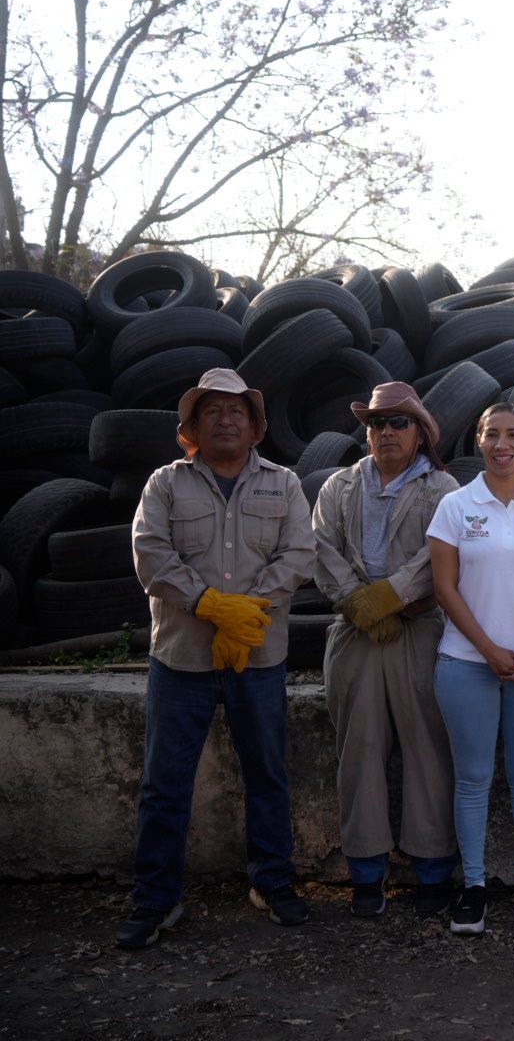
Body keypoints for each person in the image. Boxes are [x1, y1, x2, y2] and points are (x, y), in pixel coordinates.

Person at [119, 368, 316, 949]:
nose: (225, 420)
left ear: (256, 428)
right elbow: (150, 555)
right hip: (182, 660)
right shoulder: (165, 484)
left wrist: (245, 612)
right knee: (164, 783)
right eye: (212, 411)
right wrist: (209, 604)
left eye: (237, 411)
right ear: (193, 427)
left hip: (257, 657)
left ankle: (272, 882)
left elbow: (299, 554)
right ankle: (156, 898)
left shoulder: (283, 484)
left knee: (267, 775)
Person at [312, 382, 461, 918]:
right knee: (359, 749)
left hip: (419, 629)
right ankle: (367, 872)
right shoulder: (340, 485)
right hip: (355, 632)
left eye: (400, 422)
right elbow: (320, 547)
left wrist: (391, 597)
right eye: (377, 423)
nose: (387, 432)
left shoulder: (443, 489)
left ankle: (432, 871)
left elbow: (440, 553)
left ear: (420, 433)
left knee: (427, 747)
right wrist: (359, 603)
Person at [427, 403, 514, 936]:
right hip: (466, 663)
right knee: (472, 779)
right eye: (491, 434)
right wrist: (486, 649)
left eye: (512, 435)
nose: (501, 444)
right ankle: (474, 887)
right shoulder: (455, 506)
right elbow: (445, 588)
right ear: (479, 441)